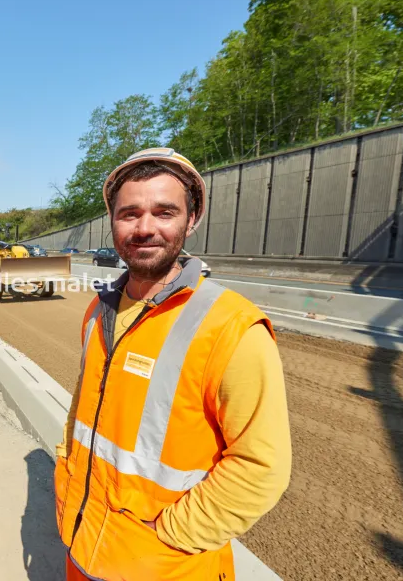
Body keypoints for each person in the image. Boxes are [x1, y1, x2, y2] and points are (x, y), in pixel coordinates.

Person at [54, 148, 291, 580]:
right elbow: (85, 418)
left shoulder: (231, 328)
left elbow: (261, 467)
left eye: (165, 212)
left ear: (192, 217)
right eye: (130, 213)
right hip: (82, 546)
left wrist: (167, 536)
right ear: (112, 221)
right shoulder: (98, 311)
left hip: (162, 566)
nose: (145, 228)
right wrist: (65, 472)